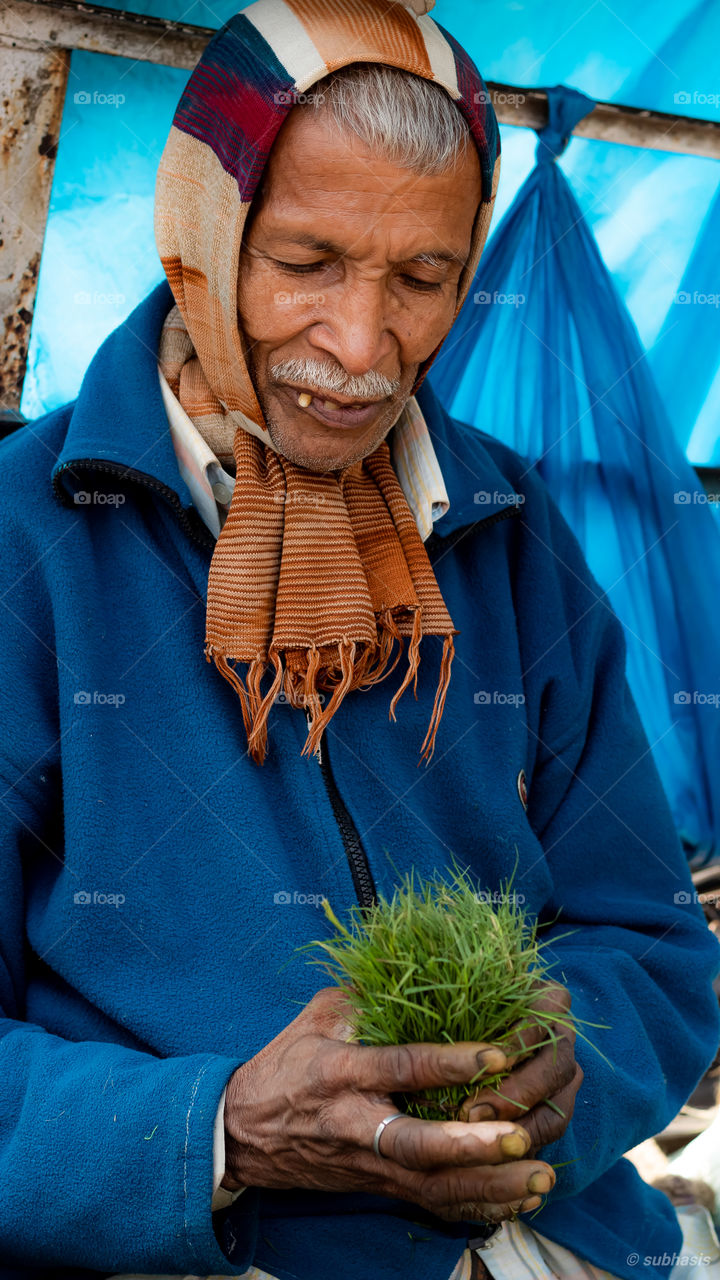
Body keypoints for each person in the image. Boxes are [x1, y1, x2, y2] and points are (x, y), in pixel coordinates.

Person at [0, 2, 717, 1278]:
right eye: (306, 261)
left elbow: (653, 941)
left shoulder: (505, 521)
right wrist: (222, 1130)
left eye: (423, 278)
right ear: (200, 241)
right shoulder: (30, 539)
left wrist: (572, 1058)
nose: (359, 346)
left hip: (543, 1237)